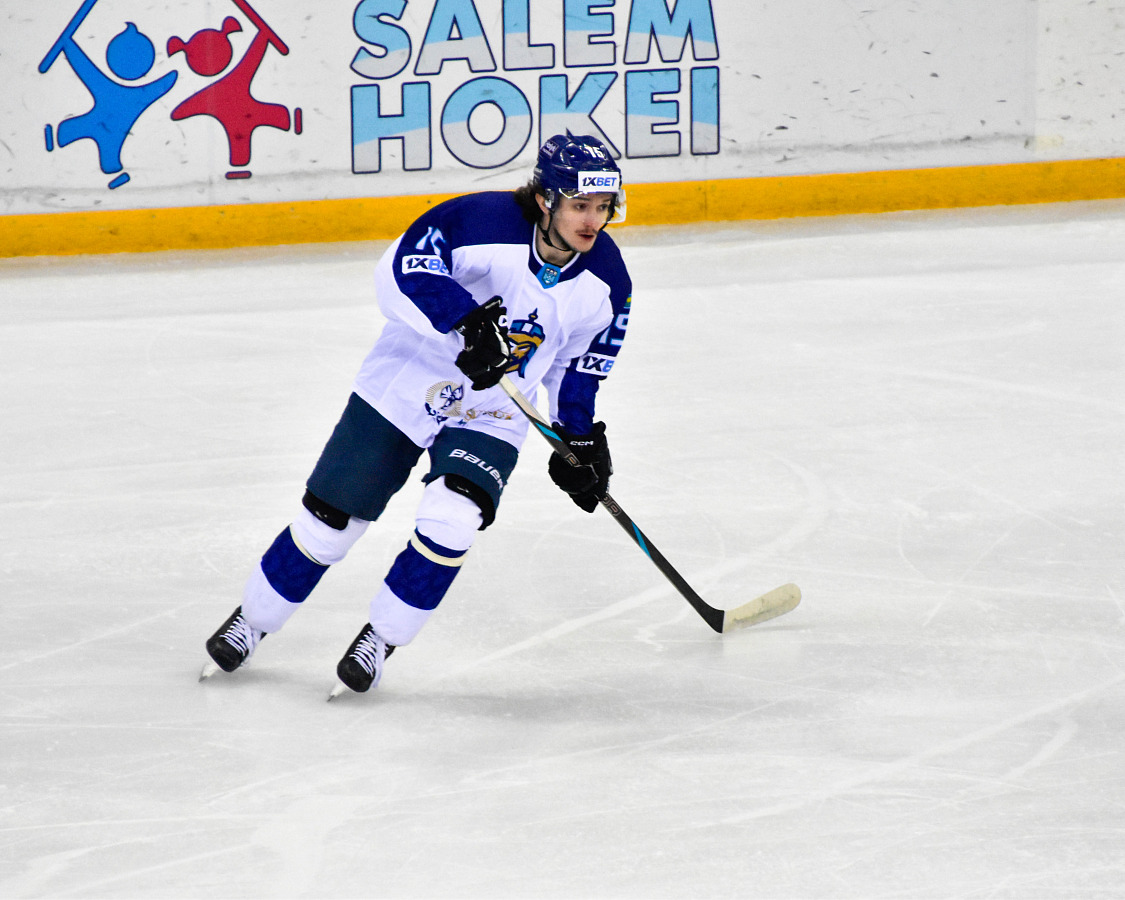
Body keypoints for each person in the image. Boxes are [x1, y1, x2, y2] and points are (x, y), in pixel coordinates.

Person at [203, 134, 633, 694]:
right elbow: (403, 267)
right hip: (410, 380)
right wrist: (466, 320)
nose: (593, 221)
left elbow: (578, 365)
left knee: (453, 519)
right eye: (580, 205)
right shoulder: (479, 221)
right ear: (545, 200)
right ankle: (253, 621)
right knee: (330, 522)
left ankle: (380, 640)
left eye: (603, 207)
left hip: (495, 408)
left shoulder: (609, 280)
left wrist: (577, 438)